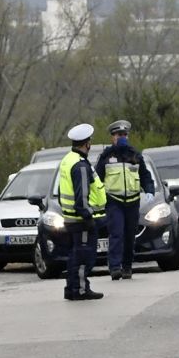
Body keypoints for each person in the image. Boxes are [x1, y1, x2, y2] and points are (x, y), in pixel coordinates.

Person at [92, 120, 151, 281]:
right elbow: (96, 179)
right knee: (117, 234)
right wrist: (98, 199)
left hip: (133, 202)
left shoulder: (134, 155)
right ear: (113, 137)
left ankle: (127, 267)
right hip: (114, 202)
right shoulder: (106, 156)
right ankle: (115, 267)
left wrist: (149, 190)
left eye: (124, 134)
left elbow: (145, 176)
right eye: (119, 135)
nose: (122, 137)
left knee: (130, 236)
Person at [54, 123, 106, 301]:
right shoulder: (80, 165)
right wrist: (87, 216)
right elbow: (81, 196)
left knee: (74, 256)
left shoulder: (67, 159)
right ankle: (81, 290)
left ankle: (71, 288)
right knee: (84, 257)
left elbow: (62, 191)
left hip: (70, 219)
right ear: (87, 144)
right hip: (81, 220)